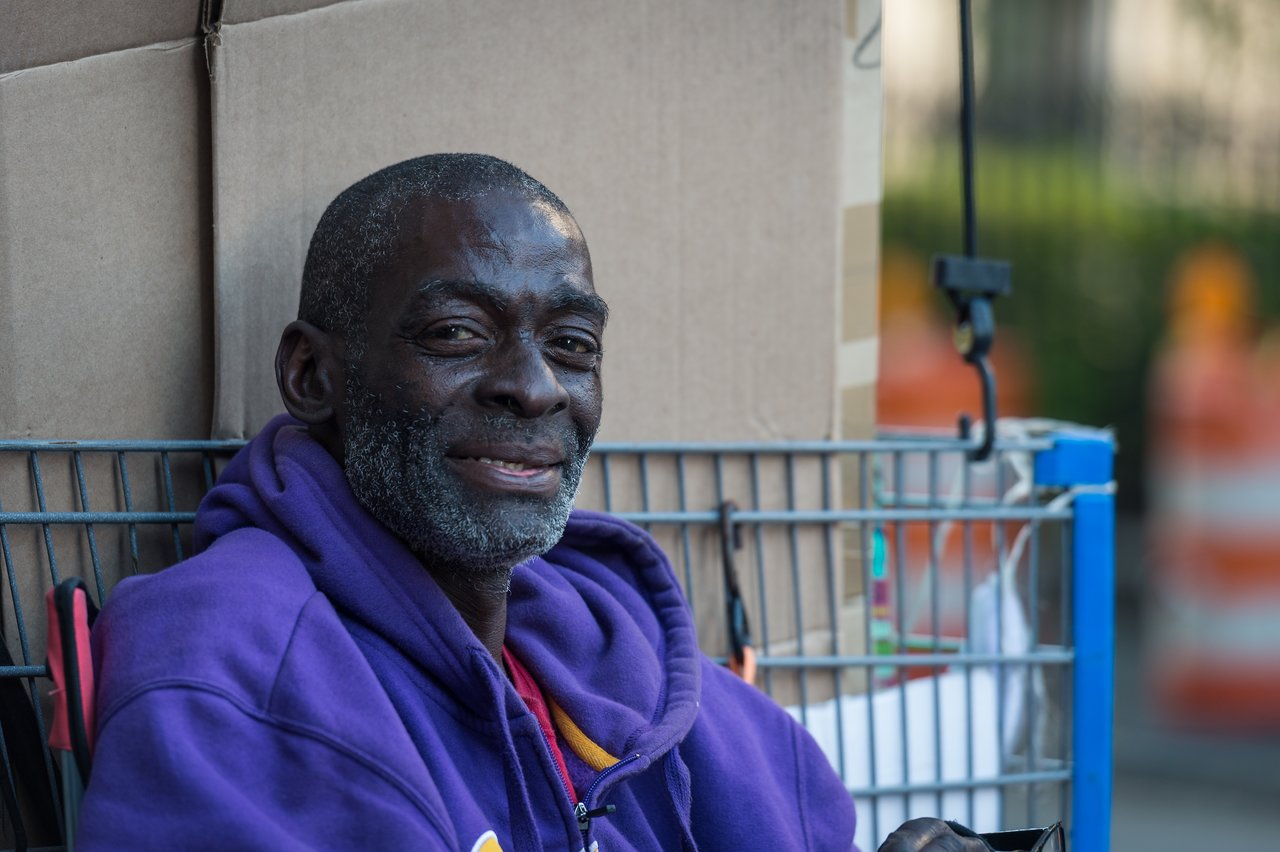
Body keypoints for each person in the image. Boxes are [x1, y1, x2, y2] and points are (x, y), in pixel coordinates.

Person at [77, 154, 987, 851]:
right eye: (457, 333)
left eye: (573, 343)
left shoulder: (603, 643)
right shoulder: (231, 659)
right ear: (313, 375)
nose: (535, 386)